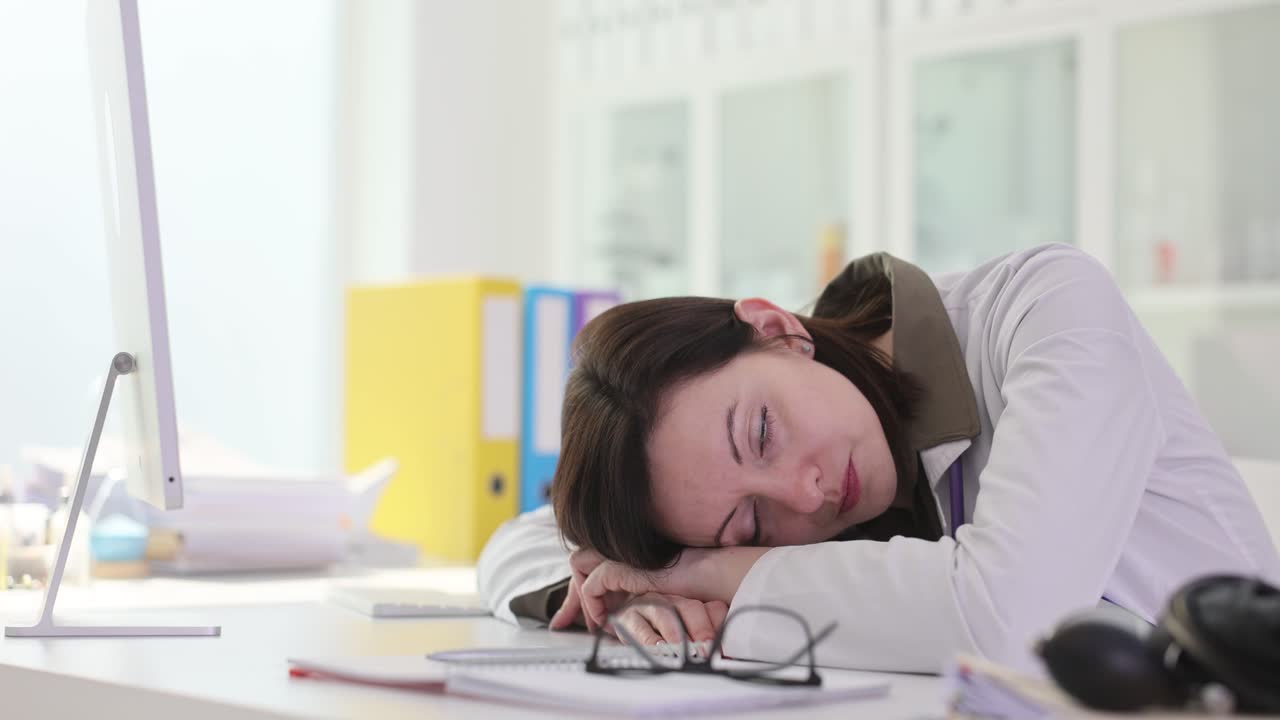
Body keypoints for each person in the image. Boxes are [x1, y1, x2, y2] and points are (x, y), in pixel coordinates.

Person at [477, 244, 1280, 673]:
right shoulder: (788, 449)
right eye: (749, 521)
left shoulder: (1044, 306)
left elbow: (1013, 620)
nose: (806, 494)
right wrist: (626, 596)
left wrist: (706, 571)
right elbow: (519, 541)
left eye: (762, 432)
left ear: (776, 328)